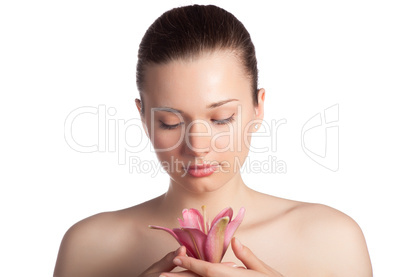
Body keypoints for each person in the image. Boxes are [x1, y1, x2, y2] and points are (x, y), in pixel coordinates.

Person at [54, 5, 372, 277]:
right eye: (171, 122)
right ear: (144, 118)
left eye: (221, 119)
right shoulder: (87, 248)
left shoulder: (333, 241)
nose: (198, 145)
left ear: (258, 107)